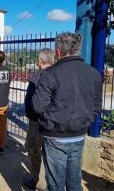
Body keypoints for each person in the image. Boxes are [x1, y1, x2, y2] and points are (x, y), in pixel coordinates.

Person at [31, 33, 102, 191]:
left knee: (56, 184)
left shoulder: (50, 74)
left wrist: (50, 122)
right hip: (79, 135)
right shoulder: (93, 73)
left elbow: (37, 106)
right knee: (74, 182)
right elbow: (97, 106)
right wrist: (86, 121)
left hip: (55, 136)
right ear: (77, 49)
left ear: (57, 52)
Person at [23, 48, 54, 190]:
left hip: (37, 121)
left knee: (34, 150)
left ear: (40, 61)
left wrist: (29, 114)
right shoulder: (57, 74)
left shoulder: (38, 76)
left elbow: (31, 100)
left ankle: (38, 181)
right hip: (54, 121)